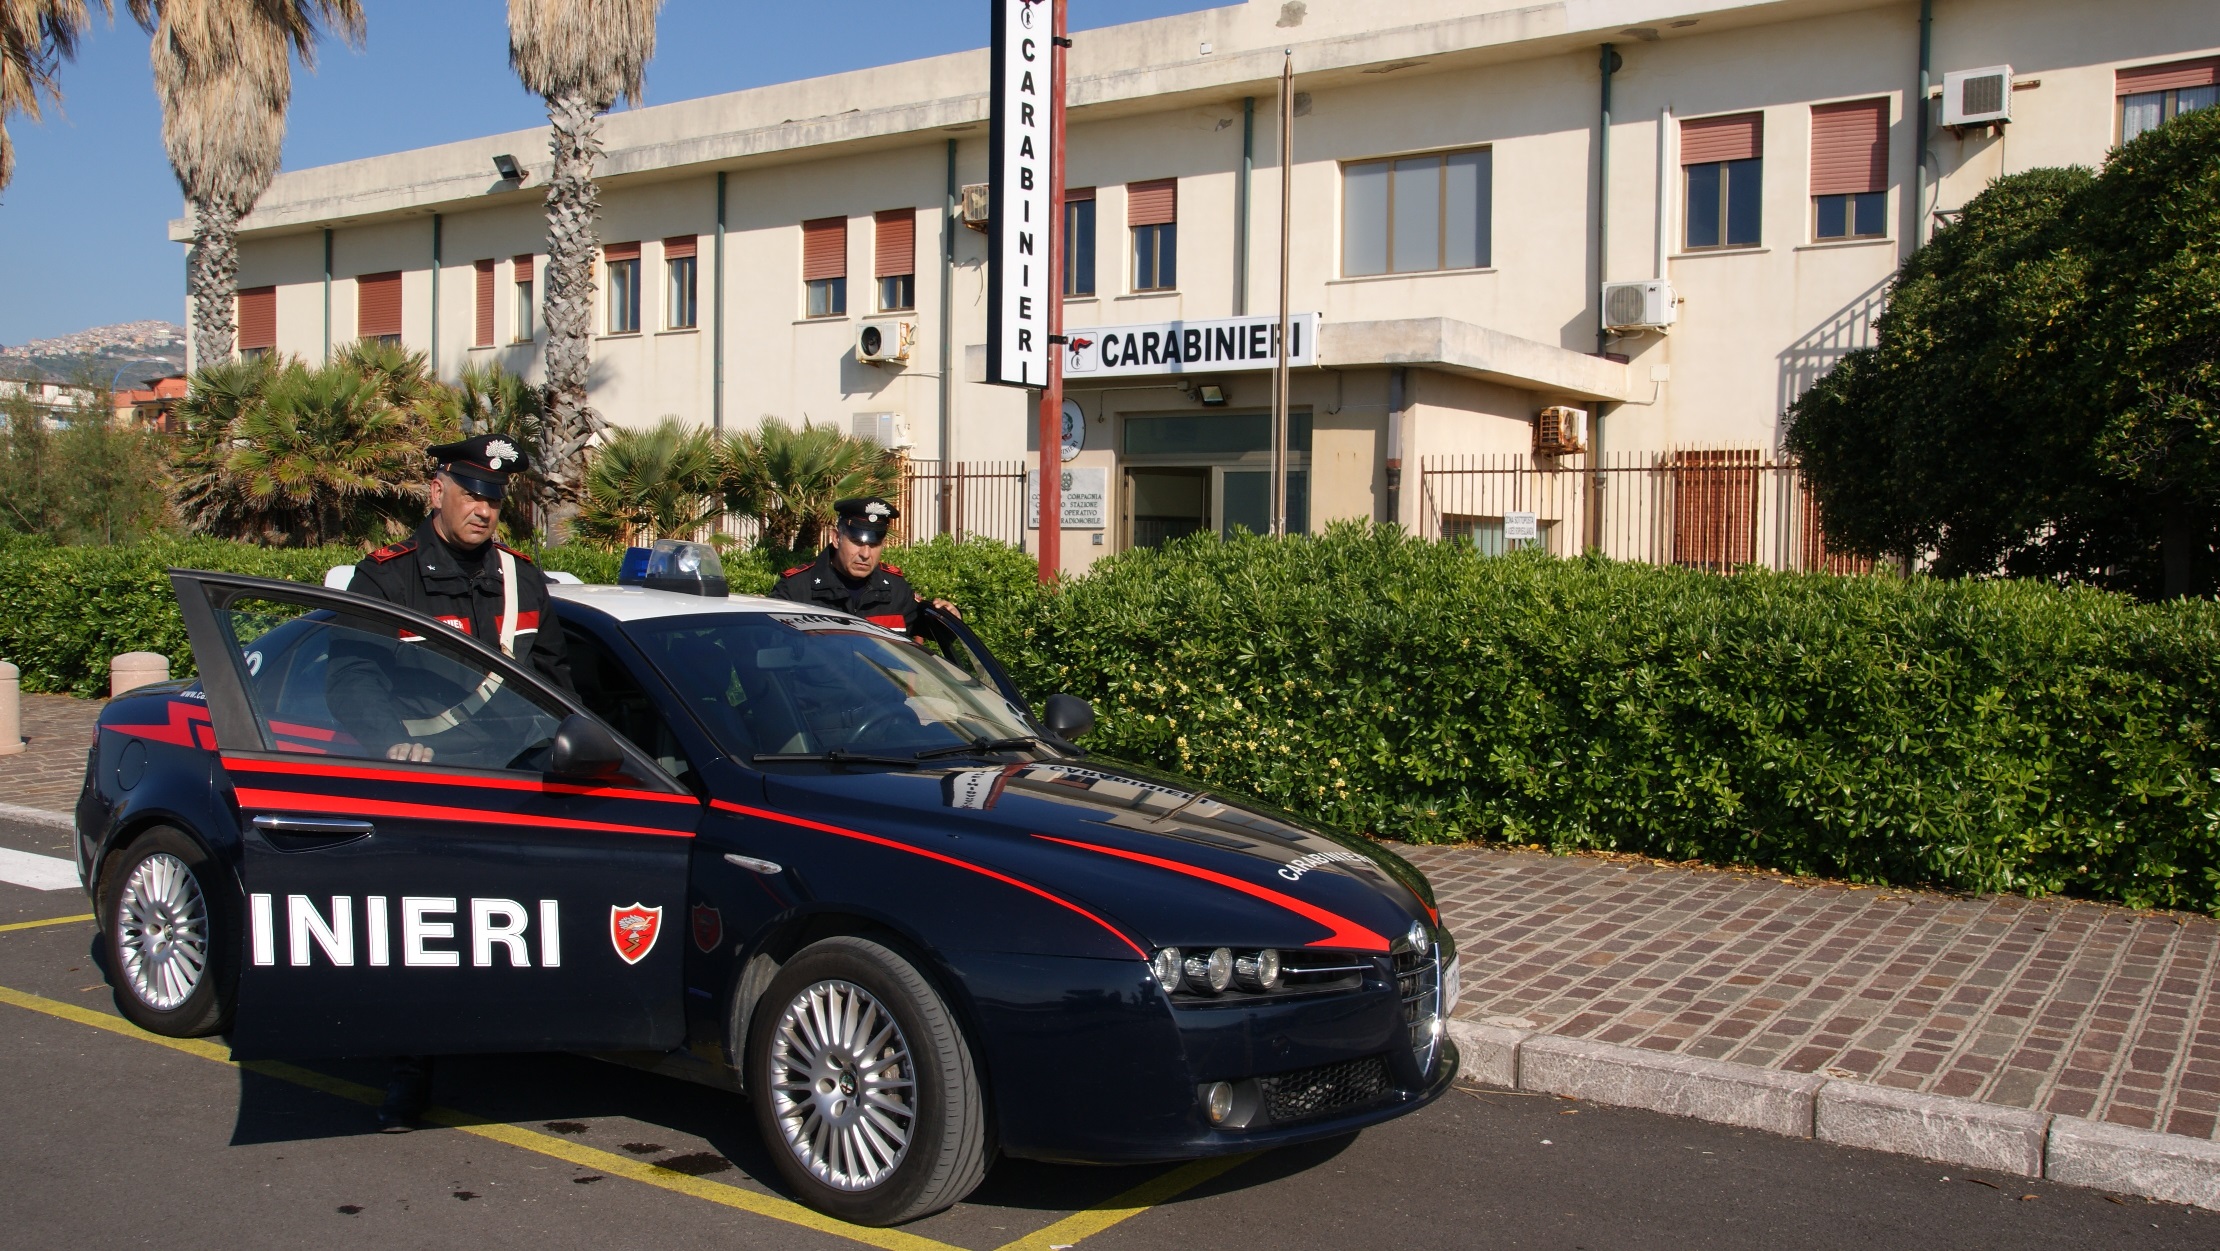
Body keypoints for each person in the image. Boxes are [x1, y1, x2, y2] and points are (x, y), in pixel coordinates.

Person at [330, 432, 574, 1131]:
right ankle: (410, 1068)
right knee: (428, 938)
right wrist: (390, 740)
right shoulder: (387, 578)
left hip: (516, 782)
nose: (485, 508)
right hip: (429, 784)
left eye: (495, 497)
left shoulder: (521, 578)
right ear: (435, 490)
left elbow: (556, 677)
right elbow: (348, 677)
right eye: (472, 492)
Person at [770, 497, 957, 633]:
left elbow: (930, 630)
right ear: (836, 538)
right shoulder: (796, 589)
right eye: (857, 542)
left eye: (874, 544)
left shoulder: (895, 590)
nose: (865, 554)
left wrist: (951, 618)